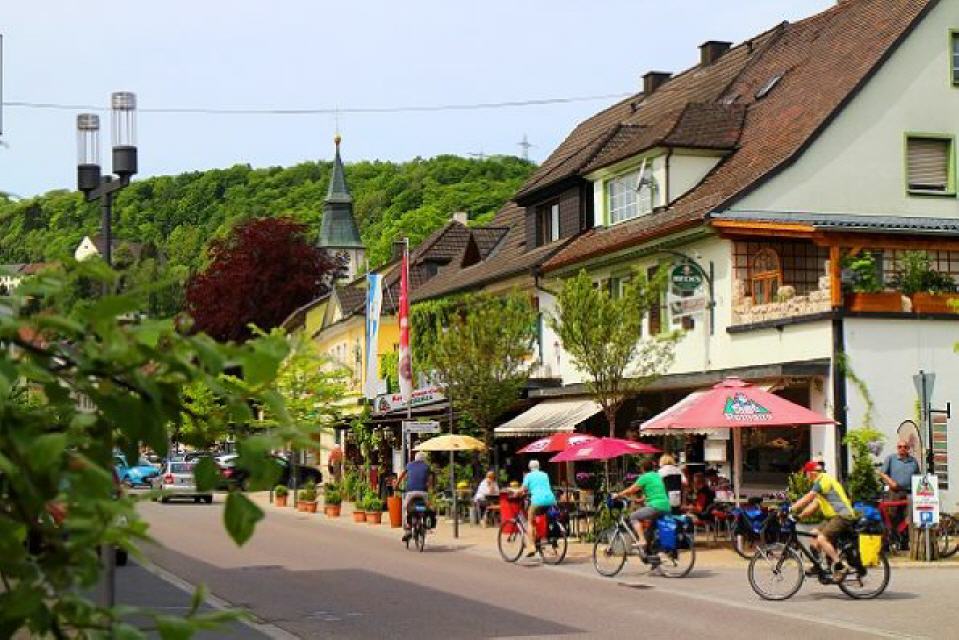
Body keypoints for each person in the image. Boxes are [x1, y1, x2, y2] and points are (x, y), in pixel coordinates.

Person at [790, 461, 857, 581]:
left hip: (842, 516)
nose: (806, 476)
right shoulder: (821, 484)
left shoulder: (823, 480)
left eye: (806, 473)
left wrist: (791, 508)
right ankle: (818, 566)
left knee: (822, 539)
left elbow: (808, 498)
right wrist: (799, 516)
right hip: (832, 518)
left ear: (811, 473)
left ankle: (840, 566)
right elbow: (814, 505)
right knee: (813, 535)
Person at [613, 458, 671, 557]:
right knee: (650, 530)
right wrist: (640, 500)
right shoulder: (657, 476)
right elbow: (657, 492)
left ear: (642, 468)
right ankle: (651, 556)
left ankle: (642, 540)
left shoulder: (644, 477)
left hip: (655, 506)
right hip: (666, 506)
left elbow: (632, 489)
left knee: (633, 516)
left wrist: (618, 495)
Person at [878, 439, 920, 545]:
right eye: (900, 447)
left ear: (908, 449)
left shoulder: (913, 461)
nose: (902, 449)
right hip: (894, 493)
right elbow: (882, 473)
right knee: (892, 516)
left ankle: (905, 542)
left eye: (905, 447)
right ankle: (892, 540)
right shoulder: (891, 458)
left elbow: (918, 476)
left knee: (908, 516)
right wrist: (891, 482)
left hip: (909, 492)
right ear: (897, 448)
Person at [516, 460, 556, 557]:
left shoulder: (528, 476)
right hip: (550, 499)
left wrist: (516, 493)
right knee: (543, 517)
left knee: (530, 521)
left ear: (530, 468)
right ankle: (543, 538)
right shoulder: (545, 475)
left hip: (538, 500)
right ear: (539, 467)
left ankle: (532, 546)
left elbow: (523, 489)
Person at [397, 452, 432, 543]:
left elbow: (401, 476)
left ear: (415, 458)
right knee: (427, 507)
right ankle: (427, 524)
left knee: (405, 508)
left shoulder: (409, 465)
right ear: (424, 459)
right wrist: (429, 489)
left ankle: (407, 529)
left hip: (411, 492)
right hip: (423, 492)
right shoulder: (426, 466)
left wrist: (396, 485)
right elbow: (430, 480)